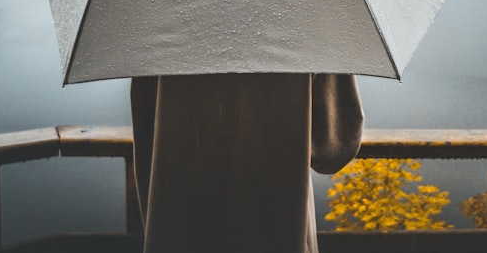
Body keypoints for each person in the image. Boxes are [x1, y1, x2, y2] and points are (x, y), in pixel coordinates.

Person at [130, 73, 364, 253]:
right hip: (279, 221)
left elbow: (145, 131)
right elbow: (334, 145)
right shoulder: (305, 14)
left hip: (178, 223)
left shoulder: (158, 20)